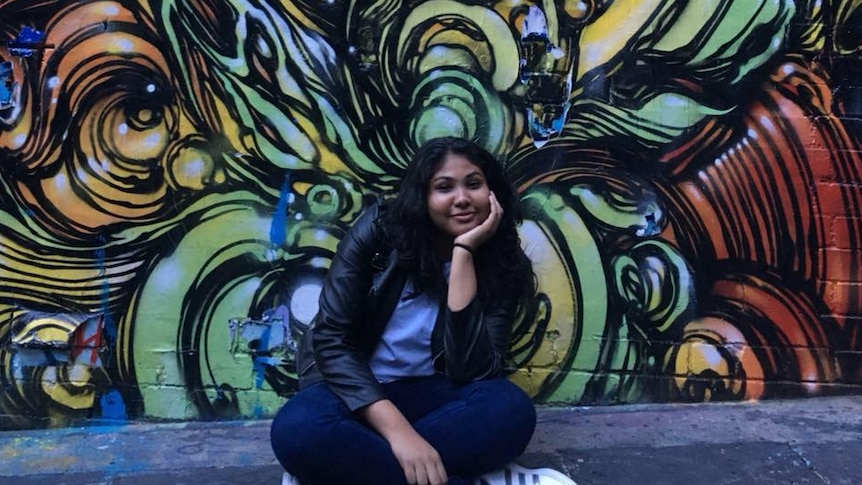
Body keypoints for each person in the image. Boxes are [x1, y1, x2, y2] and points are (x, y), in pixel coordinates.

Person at [270, 137, 576, 485]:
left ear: (491, 192)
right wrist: (402, 437)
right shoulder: (378, 234)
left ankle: (355, 469)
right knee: (297, 429)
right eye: (444, 187)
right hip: (357, 395)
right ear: (423, 197)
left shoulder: (502, 262)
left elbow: (471, 371)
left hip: (437, 396)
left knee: (511, 411)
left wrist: (464, 255)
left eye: (473, 184)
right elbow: (332, 339)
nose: (462, 198)